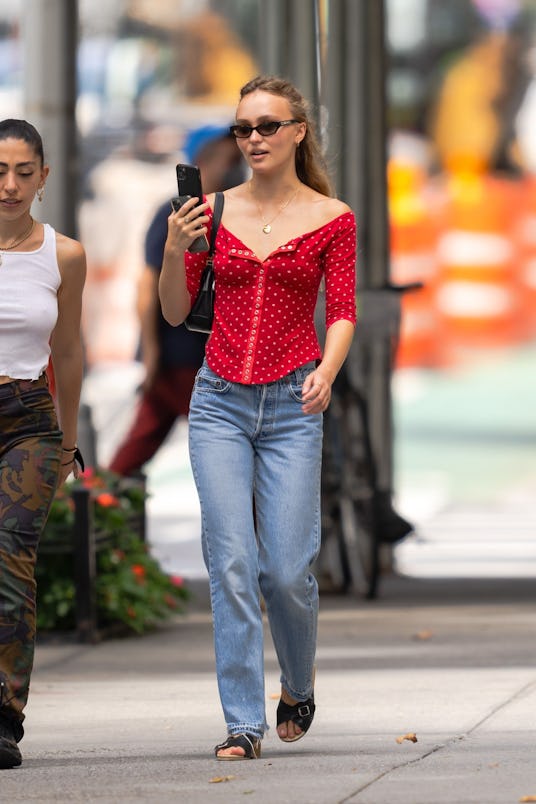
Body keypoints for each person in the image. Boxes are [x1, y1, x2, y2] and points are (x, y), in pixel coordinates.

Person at [159, 76, 357, 759]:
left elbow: (341, 310)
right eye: (244, 128)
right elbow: (175, 313)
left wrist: (327, 372)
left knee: (289, 571)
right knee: (233, 562)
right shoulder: (210, 212)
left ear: (299, 131)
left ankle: (297, 683)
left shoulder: (334, 216)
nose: (255, 139)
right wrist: (174, 250)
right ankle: (242, 721)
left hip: (295, 401)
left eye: (269, 126)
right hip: (219, 401)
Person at [0, 119, 86, 768]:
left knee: (10, 561)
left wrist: (70, 439)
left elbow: (68, 350)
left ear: (44, 177)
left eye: (23, 173)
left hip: (28, 418)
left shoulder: (65, 255)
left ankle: (4, 716)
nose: (9, 186)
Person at [108, 125, 244, 476]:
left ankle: (97, 505)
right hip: (181, 356)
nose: (234, 169)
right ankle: (94, 508)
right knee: (224, 445)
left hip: (206, 356)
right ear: (201, 163)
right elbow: (147, 284)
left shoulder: (236, 212)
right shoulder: (178, 214)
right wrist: (151, 353)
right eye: (227, 160)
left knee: (144, 438)